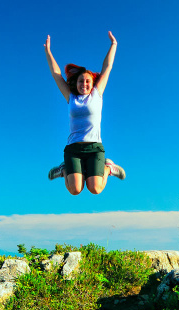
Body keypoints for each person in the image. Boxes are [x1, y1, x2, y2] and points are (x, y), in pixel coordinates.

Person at [44, 31, 126, 195]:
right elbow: (56, 75)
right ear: (77, 83)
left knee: (95, 188)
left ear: (92, 82)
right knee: (75, 189)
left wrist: (114, 45)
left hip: (94, 148)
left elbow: (107, 67)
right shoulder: (71, 97)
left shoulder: (97, 94)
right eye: (81, 81)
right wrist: (48, 52)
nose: (84, 84)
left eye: (88, 81)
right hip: (73, 149)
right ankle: (63, 170)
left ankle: (108, 168)